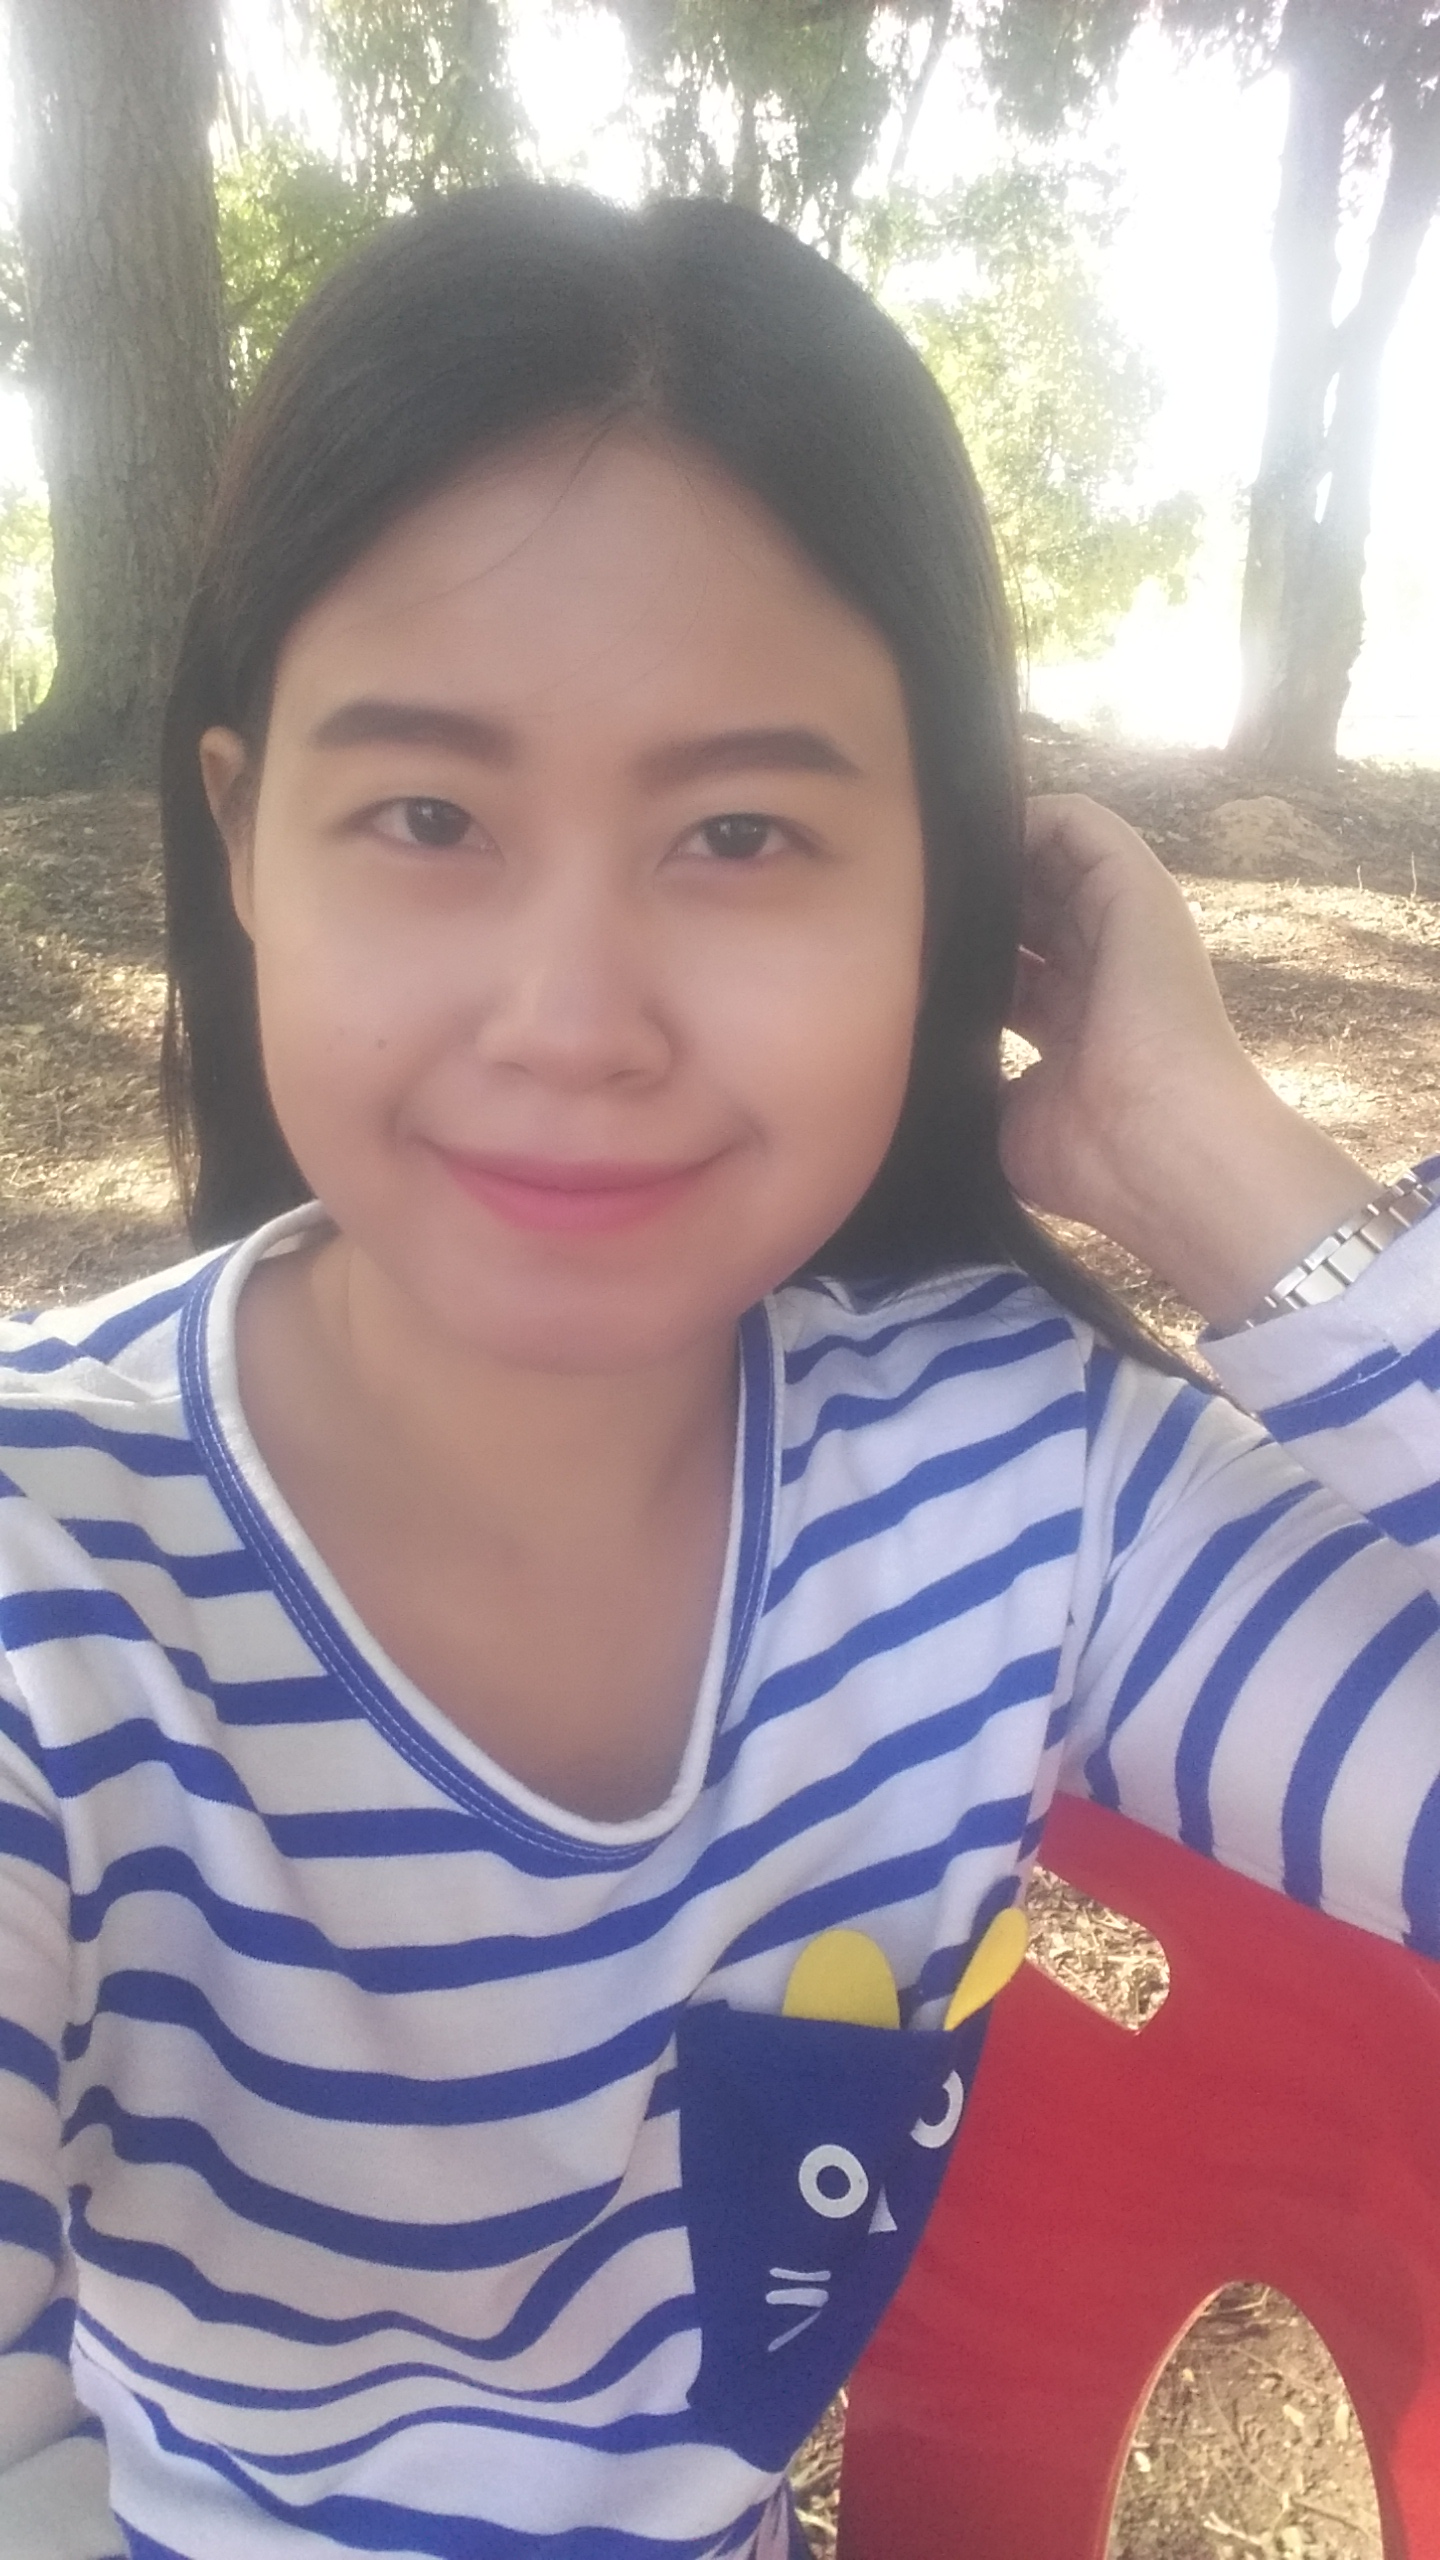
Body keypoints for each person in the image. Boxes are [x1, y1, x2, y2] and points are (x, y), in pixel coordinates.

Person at [1, 184, 1436, 2560]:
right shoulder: (53, 1581)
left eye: (743, 830)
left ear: (941, 897)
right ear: (248, 838)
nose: (574, 1018)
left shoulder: (1015, 1495)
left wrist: (1212, 1161)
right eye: (431, 816)